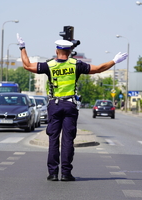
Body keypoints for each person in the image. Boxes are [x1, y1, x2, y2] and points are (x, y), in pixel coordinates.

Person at [17, 33, 128, 182]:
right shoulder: (76, 64)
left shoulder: (49, 65)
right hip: (70, 106)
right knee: (68, 140)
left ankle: (53, 173)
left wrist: (22, 47)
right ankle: (66, 173)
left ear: (57, 51)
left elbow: (26, 65)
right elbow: (99, 69)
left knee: (53, 139)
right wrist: (115, 60)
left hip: (54, 105)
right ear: (69, 52)